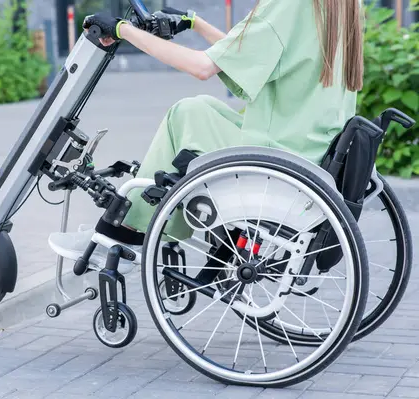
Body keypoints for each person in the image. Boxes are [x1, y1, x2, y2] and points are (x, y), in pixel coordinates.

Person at [48, 0, 364, 274]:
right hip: (306, 154)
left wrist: (123, 31)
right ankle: (141, 225)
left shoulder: (289, 5)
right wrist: (195, 23)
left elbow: (202, 67)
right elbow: (250, 51)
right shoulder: (343, 8)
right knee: (203, 108)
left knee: (184, 114)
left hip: (275, 157)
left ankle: (125, 234)